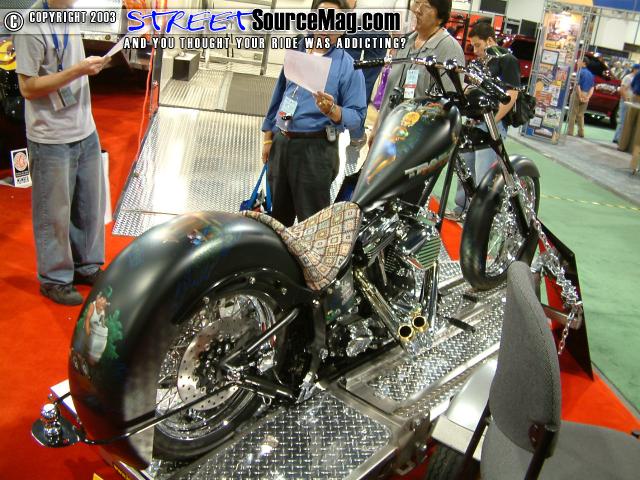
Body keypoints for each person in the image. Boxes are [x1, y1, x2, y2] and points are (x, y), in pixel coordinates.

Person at [14, 0, 107, 305]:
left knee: (89, 206)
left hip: (84, 129)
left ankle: (86, 265)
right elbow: (28, 88)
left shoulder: (70, 14)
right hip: (50, 137)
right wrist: (77, 71)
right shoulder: (30, 26)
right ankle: (55, 279)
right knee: (52, 213)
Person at [261, 0, 367, 227]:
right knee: (276, 220)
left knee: (311, 224)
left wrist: (333, 110)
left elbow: (358, 116)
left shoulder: (348, 66)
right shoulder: (298, 50)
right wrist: (269, 138)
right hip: (282, 144)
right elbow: (281, 93)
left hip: (315, 152)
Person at [453, 20, 520, 215]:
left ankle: (479, 216)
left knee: (484, 172)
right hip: (472, 122)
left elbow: (512, 94)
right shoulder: (476, 63)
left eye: (478, 45)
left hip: (492, 123)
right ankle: (461, 209)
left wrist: (493, 121)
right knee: (465, 168)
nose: (475, 51)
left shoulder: (506, 60)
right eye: (473, 46)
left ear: (490, 40)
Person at [372, 0, 465, 139]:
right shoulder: (406, 41)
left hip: (415, 139)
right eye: (416, 2)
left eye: (426, 6)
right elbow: (389, 90)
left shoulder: (449, 49)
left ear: (440, 16)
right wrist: (377, 127)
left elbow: (448, 108)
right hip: (386, 132)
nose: (417, 10)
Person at [567, 58, 594, 138]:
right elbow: (592, 87)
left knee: (572, 113)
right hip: (586, 94)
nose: (577, 62)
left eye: (579, 61)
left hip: (578, 93)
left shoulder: (580, 72)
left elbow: (577, 85)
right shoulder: (591, 74)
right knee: (581, 114)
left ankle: (570, 132)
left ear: (583, 63)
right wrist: (587, 97)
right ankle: (581, 133)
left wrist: (580, 96)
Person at [613, 63, 640, 144]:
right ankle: (617, 138)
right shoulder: (628, 77)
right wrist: (626, 100)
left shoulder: (635, 78)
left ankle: (620, 138)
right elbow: (622, 90)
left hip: (631, 101)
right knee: (622, 119)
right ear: (634, 69)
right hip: (625, 102)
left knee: (626, 121)